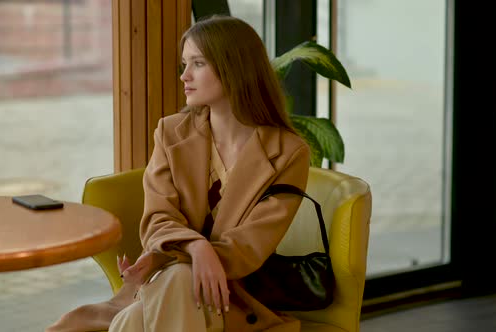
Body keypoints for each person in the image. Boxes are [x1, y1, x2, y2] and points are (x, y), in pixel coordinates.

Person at [46, 15, 310, 332]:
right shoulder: (171, 133)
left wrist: (171, 256)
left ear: (234, 67)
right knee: (172, 285)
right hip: (172, 284)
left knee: (136, 316)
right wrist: (195, 248)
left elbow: (250, 247)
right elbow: (157, 219)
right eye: (184, 64)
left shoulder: (287, 152)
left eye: (197, 63)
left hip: (231, 295)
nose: (184, 75)